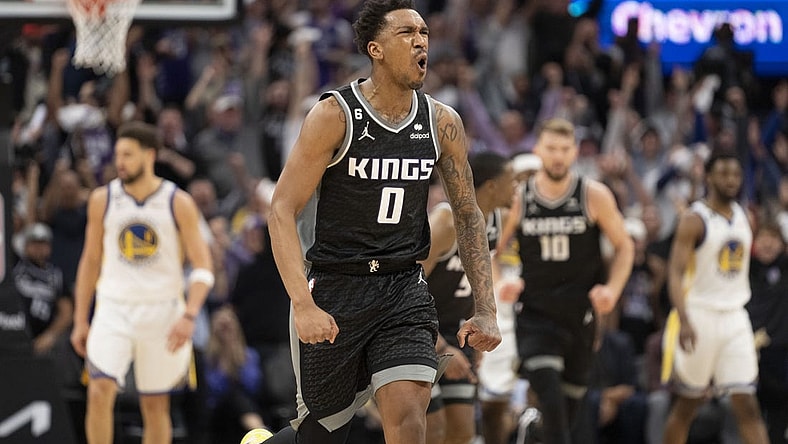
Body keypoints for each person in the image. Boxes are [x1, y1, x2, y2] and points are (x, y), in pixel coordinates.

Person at [266, 1, 502, 443]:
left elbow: (469, 215)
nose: (420, 41)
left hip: (403, 290)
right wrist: (302, 303)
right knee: (322, 433)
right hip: (337, 288)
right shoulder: (335, 115)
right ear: (375, 49)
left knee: (410, 417)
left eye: (425, 33)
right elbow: (281, 209)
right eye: (407, 32)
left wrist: (486, 310)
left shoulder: (441, 122)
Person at [70, 121, 214, 444]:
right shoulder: (101, 199)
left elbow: (204, 267)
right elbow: (89, 263)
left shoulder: (178, 202)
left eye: (128, 155)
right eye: (118, 154)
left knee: (155, 404)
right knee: (99, 389)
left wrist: (189, 314)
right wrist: (81, 320)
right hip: (113, 308)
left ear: (149, 155)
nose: (120, 162)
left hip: (164, 311)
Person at [502, 117, 635, 444]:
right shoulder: (519, 198)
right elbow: (491, 249)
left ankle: (533, 433)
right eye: (551, 148)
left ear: (575, 152)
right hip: (535, 316)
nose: (558, 156)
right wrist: (501, 280)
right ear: (538, 150)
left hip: (580, 317)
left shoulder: (594, 195)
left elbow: (625, 246)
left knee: (567, 412)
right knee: (552, 403)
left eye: (564, 149)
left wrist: (613, 290)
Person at [661, 150, 769, 444]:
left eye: (735, 174)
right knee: (687, 404)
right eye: (723, 173)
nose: (731, 180)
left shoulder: (745, 216)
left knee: (747, 404)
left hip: (735, 317)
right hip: (699, 315)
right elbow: (675, 274)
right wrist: (683, 319)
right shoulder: (694, 219)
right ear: (708, 176)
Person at [421, 152, 516, 444]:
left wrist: (480, 324)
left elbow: (480, 280)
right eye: (510, 181)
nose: (515, 188)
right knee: (432, 429)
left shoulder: (497, 220)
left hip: (457, 329)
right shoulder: (445, 221)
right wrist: (439, 343)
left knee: (462, 432)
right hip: (419, 328)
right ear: (490, 186)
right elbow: (407, 282)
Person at [13, 222, 73, 356]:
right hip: (13, 331)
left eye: (42, 243)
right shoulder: (16, 265)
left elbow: (66, 312)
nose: (38, 248)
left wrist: (50, 335)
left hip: (42, 338)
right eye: (34, 243)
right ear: (26, 245)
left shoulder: (56, 275)